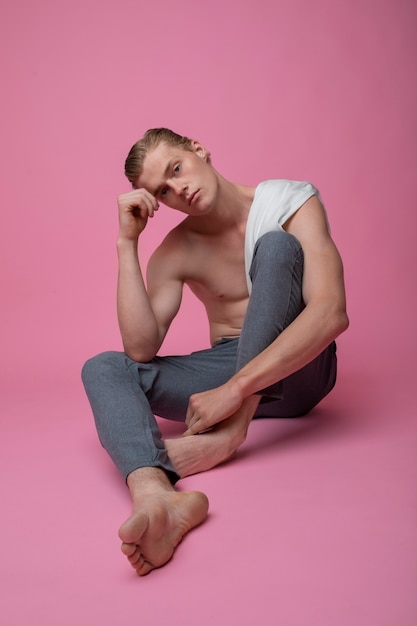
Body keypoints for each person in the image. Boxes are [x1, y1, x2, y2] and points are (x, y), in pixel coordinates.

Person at [82, 128, 349, 576]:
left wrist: (234, 403)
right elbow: (140, 349)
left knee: (277, 246)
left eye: (177, 168)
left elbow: (330, 314)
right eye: (162, 190)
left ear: (198, 150)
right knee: (105, 367)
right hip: (228, 365)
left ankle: (229, 437)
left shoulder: (291, 201)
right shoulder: (175, 251)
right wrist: (126, 244)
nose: (177, 189)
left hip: (302, 366)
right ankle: (159, 497)